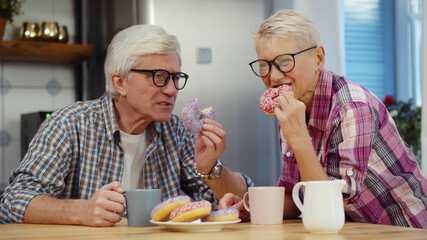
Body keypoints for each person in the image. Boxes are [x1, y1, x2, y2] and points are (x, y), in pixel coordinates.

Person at [0, 24, 252, 226]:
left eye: (176, 77)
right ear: (120, 82)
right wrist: (81, 211)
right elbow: (13, 201)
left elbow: (235, 202)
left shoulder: (176, 131)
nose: (172, 90)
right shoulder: (70, 124)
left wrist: (210, 168)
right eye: (159, 77)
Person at [220, 9, 427, 228]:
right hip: (352, 229)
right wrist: (250, 206)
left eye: (284, 61)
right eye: (265, 65)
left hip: (405, 228)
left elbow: (332, 204)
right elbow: (295, 196)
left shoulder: (352, 107)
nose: (273, 76)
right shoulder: (294, 107)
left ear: (318, 58)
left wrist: (299, 138)